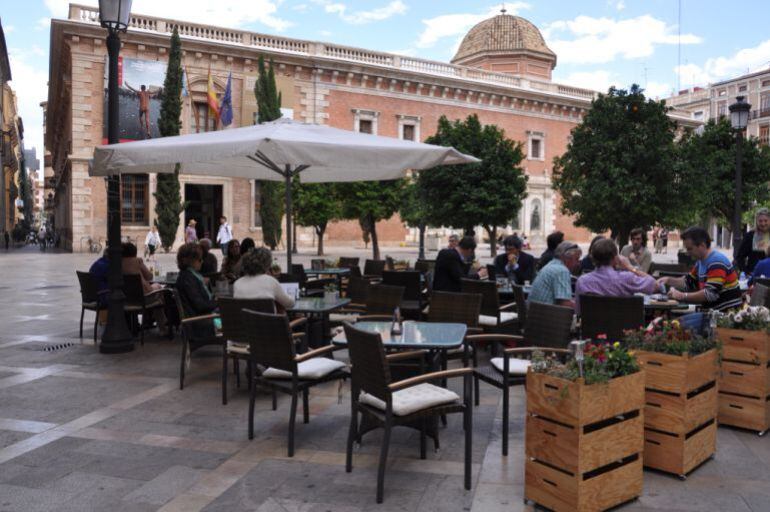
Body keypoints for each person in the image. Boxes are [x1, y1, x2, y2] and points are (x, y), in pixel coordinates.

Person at [657, 226, 742, 311]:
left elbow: (710, 294)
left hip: (726, 315)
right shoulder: (701, 261)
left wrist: (682, 296)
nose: (688, 253)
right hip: (713, 312)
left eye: (690, 249)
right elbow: (688, 282)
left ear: (702, 245)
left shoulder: (716, 262)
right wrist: (668, 280)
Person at [575, 238, 657, 313]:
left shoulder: (582, 281)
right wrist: (630, 267)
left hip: (591, 327)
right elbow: (653, 284)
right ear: (615, 258)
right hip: (624, 327)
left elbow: (578, 311)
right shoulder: (627, 278)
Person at [175, 243, 218, 337]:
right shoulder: (188, 279)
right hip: (200, 324)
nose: (202, 261)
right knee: (234, 317)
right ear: (189, 260)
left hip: (201, 320)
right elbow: (200, 306)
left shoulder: (190, 276)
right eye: (199, 259)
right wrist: (219, 303)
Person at [528, 241, 582, 308]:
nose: (578, 263)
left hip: (534, 314)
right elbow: (564, 304)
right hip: (547, 316)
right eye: (576, 259)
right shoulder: (562, 271)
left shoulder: (551, 264)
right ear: (567, 258)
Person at [736, 209, 770, 275]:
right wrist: (746, 272)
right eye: (760, 221)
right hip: (754, 275)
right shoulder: (750, 236)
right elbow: (740, 257)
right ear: (756, 221)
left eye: (766, 221)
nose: (763, 224)